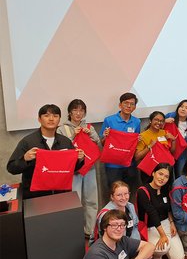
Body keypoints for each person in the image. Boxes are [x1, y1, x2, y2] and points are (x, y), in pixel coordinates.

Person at [7, 104, 84, 199]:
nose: (51, 119)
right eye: (46, 116)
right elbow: (11, 168)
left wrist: (80, 159)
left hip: (61, 195)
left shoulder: (65, 142)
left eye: (55, 116)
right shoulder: (28, 142)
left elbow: (72, 168)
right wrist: (25, 159)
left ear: (59, 119)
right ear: (39, 119)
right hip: (35, 197)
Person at [57, 99, 100, 238]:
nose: (78, 113)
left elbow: (99, 145)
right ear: (69, 112)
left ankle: (90, 231)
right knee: (75, 200)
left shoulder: (89, 126)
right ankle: (75, 231)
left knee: (91, 200)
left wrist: (91, 134)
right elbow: (59, 148)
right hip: (72, 170)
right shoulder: (62, 128)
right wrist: (73, 135)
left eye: (81, 110)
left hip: (89, 168)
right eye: (75, 110)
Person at [136, 163, 185, 259]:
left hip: (166, 223)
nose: (162, 178)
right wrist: (162, 235)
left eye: (166, 176)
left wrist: (171, 223)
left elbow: (168, 209)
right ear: (153, 173)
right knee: (162, 249)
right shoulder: (143, 191)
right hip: (151, 227)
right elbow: (152, 213)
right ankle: (156, 258)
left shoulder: (165, 189)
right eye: (160, 174)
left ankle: (166, 251)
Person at [100, 93, 141, 195]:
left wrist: (138, 140)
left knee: (128, 192)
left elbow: (136, 143)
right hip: (113, 165)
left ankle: (126, 211)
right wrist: (106, 136)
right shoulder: (109, 120)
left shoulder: (137, 122)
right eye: (126, 103)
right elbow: (102, 143)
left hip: (129, 164)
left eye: (132, 104)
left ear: (135, 107)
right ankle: (115, 211)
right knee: (114, 192)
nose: (128, 106)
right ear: (120, 105)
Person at [91, 181, 140, 245]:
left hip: (129, 244)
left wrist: (136, 245)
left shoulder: (130, 206)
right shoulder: (106, 214)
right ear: (112, 197)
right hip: (113, 247)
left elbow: (134, 227)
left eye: (126, 194)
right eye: (119, 195)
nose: (124, 198)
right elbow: (105, 238)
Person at [135, 111, 175, 183]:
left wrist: (173, 140)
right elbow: (137, 157)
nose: (159, 122)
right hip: (149, 171)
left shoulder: (165, 133)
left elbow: (172, 152)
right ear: (150, 121)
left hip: (163, 172)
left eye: (161, 121)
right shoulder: (143, 136)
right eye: (156, 120)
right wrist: (150, 146)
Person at [165, 99, 187, 178]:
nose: (183, 109)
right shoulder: (170, 116)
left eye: (186, 108)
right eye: (181, 107)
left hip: (182, 153)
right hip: (167, 151)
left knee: (180, 174)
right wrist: (164, 121)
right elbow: (154, 125)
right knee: (166, 173)